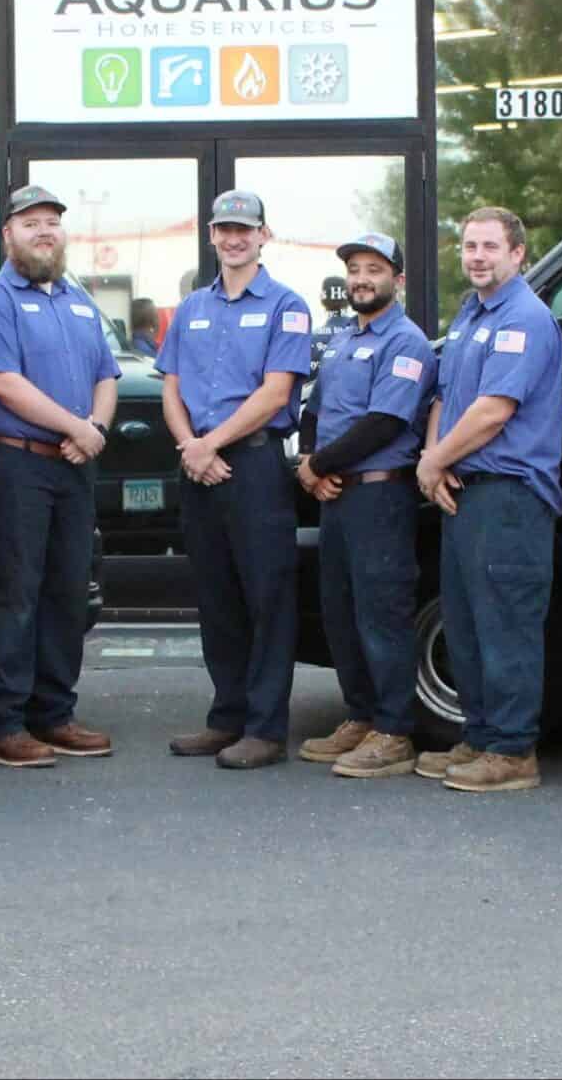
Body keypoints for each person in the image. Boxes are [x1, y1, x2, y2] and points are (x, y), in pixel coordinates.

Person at [0, 185, 121, 768]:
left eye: (52, 222)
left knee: (65, 593)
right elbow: (3, 383)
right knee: (14, 592)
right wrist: (76, 427)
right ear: (9, 234)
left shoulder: (79, 301)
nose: (44, 232)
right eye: (31, 223)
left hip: (74, 467)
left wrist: (95, 429)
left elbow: (106, 375)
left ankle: (55, 713)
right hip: (19, 465)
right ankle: (2, 721)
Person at [158, 190, 314, 770]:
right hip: (199, 465)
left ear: (263, 235)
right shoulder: (192, 308)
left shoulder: (286, 306)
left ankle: (265, 729)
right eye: (224, 229)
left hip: (252, 465)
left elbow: (276, 392)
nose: (234, 238)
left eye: (244, 229)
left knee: (267, 598)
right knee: (217, 597)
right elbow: (171, 387)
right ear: (212, 236)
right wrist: (191, 447)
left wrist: (211, 444)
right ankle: (226, 717)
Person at [413, 206, 562, 793]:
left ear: (518, 254)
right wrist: (436, 461)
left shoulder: (524, 317)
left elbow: (494, 410)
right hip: (466, 492)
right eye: (470, 246)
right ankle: (479, 737)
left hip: (509, 496)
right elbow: (446, 398)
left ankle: (512, 749)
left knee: (507, 624)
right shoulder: (471, 315)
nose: (477, 257)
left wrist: (434, 461)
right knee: (468, 622)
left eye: (490, 247)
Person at [294, 231, 436, 778]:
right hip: (336, 496)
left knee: (383, 613)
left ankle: (394, 731)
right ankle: (360, 715)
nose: (360, 279)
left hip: (379, 495)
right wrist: (309, 463)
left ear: (397, 280)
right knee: (342, 612)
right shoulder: (342, 341)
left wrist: (318, 466)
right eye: (354, 270)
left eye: (373, 270)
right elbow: (314, 411)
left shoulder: (406, 342)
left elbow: (384, 423)